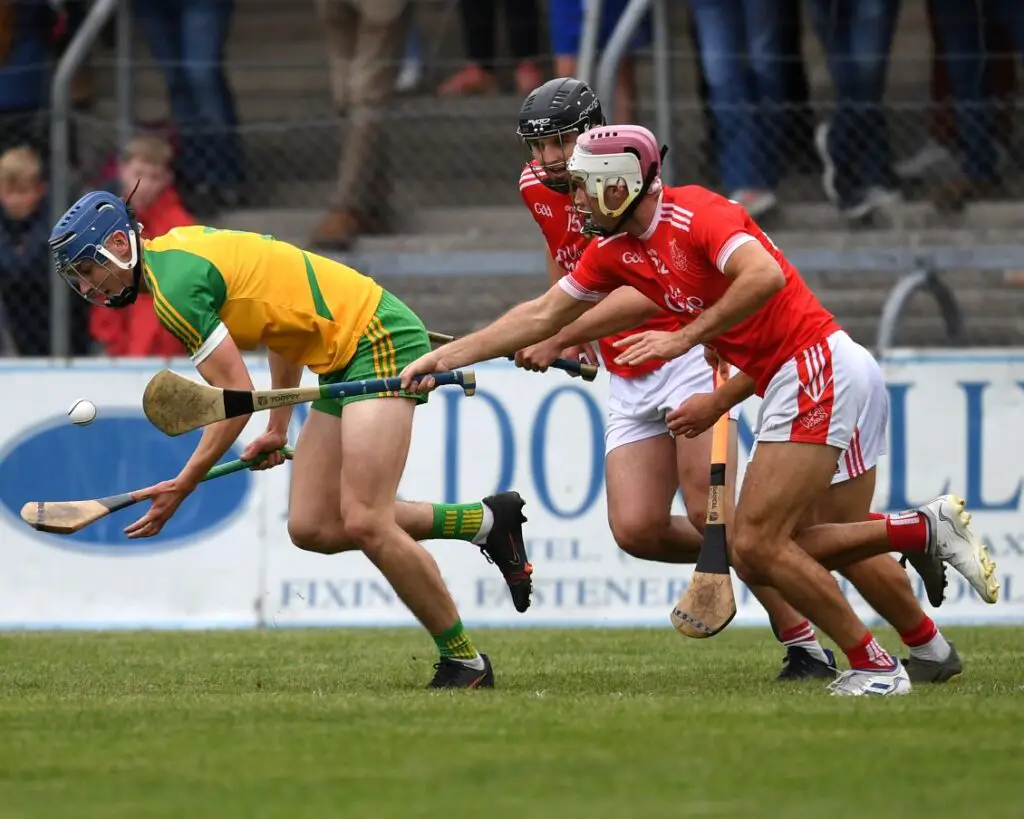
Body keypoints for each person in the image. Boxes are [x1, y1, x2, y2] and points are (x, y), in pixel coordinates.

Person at [400, 124, 1000, 696]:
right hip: (800, 372)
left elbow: (765, 276)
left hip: (815, 368)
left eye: (583, 186)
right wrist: (445, 358)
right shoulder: (616, 250)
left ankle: (879, 649)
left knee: (757, 546)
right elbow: (540, 316)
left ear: (617, 184)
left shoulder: (697, 213)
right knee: (800, 540)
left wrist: (683, 339)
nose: (575, 200)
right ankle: (927, 639)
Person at [515, 80, 962, 685]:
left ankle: (810, 642)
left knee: (732, 524)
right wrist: (563, 328)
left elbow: (652, 282)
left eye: (562, 142)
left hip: (685, 348)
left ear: (594, 136)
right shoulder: (536, 186)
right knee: (642, 529)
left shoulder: (635, 191)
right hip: (629, 368)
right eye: (538, 146)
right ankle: (916, 584)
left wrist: (570, 329)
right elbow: (565, 263)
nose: (549, 159)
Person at [48, 192, 534, 689]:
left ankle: (465, 663)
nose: (86, 286)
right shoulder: (174, 255)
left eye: (87, 269)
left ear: (118, 244)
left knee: (366, 519)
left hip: (377, 338)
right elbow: (282, 325)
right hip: (340, 357)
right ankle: (486, 522)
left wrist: (184, 483)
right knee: (313, 526)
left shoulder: (175, 289)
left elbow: (234, 399)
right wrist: (278, 427)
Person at [90, 133, 194, 357]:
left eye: (154, 177)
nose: (144, 185)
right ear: (122, 171)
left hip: (167, 346)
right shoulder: (107, 221)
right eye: (138, 174)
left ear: (167, 179)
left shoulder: (180, 227)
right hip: (121, 342)